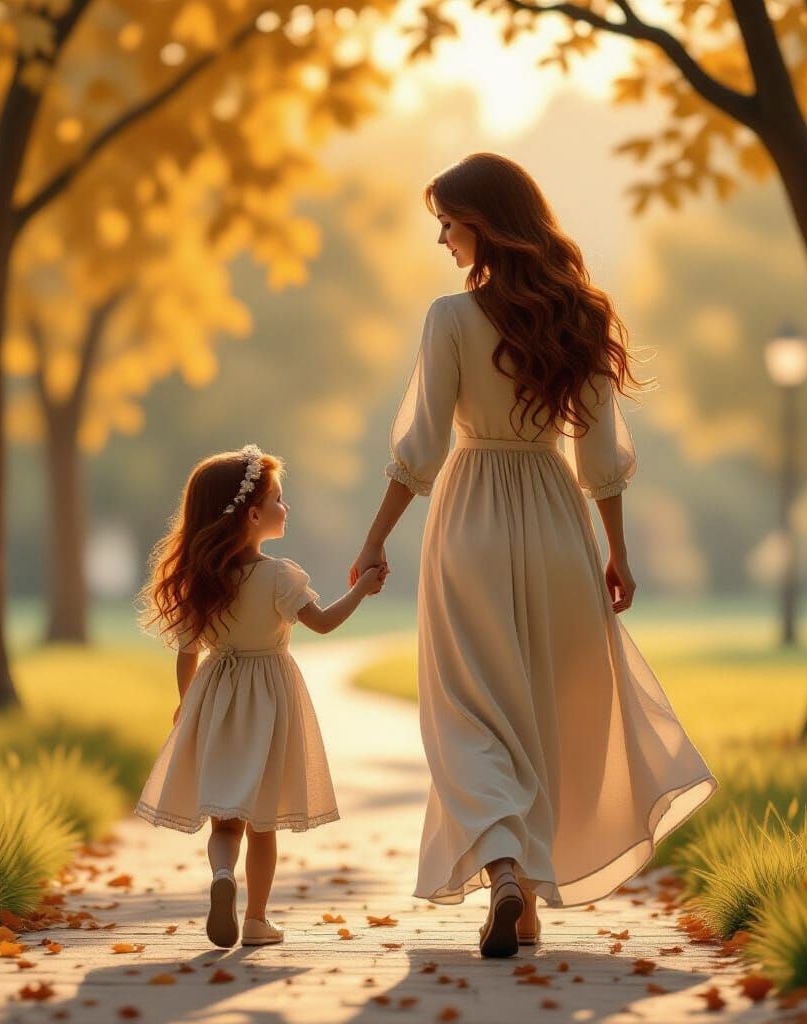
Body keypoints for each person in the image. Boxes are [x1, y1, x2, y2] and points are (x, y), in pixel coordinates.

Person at [349, 153, 717, 958]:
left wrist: (375, 537)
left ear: (484, 220)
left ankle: (506, 867)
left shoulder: (450, 317)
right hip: (555, 520)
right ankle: (525, 888)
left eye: (448, 220)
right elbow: (601, 458)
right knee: (541, 709)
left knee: (466, 709)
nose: (441, 238)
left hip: (471, 516)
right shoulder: (579, 314)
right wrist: (617, 552)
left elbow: (419, 448)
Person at [135, 444, 386, 948]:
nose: (285, 507)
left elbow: (187, 652)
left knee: (225, 820)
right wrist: (361, 590)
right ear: (253, 514)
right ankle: (255, 921)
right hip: (269, 703)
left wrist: (189, 705)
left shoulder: (204, 581)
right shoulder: (279, 576)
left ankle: (222, 876)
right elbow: (324, 623)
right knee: (263, 821)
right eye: (278, 499)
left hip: (217, 700)